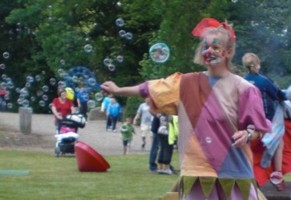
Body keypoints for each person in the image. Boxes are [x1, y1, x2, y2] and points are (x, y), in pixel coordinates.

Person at [101, 18, 271, 199]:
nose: (209, 51)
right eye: (205, 47)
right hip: (197, 170)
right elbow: (149, 88)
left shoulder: (245, 89)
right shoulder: (185, 83)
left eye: (215, 47)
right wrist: (118, 90)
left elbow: (257, 127)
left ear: (228, 52)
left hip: (234, 171)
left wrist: (247, 134)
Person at [243, 52, 287, 190]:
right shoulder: (264, 80)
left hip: (248, 123)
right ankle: (277, 178)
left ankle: (247, 180)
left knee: (248, 148)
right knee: (279, 143)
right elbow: (279, 96)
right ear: (256, 64)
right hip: (265, 122)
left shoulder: (242, 80)